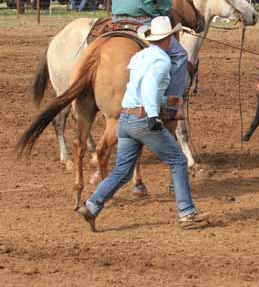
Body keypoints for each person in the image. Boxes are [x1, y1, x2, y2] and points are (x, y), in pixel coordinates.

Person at [77, 16, 210, 232]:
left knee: (122, 170)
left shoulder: (140, 57)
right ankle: (187, 213)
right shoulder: (162, 61)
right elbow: (149, 88)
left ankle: (92, 205)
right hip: (143, 118)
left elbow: (136, 87)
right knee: (177, 160)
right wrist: (154, 116)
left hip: (126, 118)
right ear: (167, 38)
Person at [90, 0, 186, 119]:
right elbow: (166, 5)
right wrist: (160, 13)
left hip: (116, 21)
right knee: (180, 55)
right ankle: (171, 103)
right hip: (142, 23)